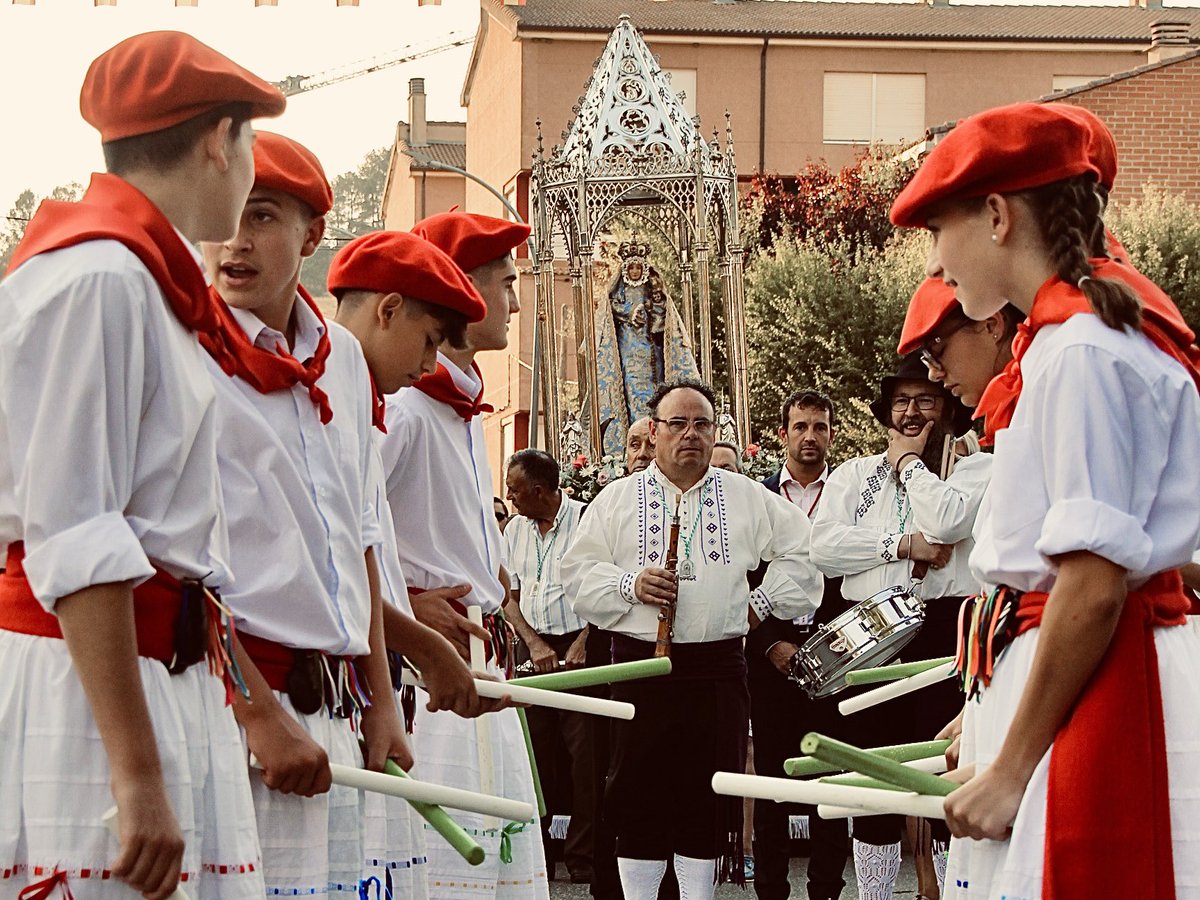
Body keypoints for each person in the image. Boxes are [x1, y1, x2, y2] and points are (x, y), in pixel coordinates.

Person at [890, 101, 1200, 900]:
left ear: (995, 215)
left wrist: (1011, 768)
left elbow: (1092, 585)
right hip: (1091, 667)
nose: (937, 263)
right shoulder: (1090, 337)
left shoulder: (1080, 352)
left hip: (1105, 680)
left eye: (937, 231)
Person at [0, 31, 284, 900]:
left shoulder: (141, 282)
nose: (245, 172)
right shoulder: (99, 280)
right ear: (216, 141)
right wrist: (136, 773)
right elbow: (77, 533)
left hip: (154, 679)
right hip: (91, 694)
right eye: (248, 147)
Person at [562, 378, 824, 900]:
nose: (690, 435)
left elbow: (804, 553)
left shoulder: (747, 496)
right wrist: (629, 584)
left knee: (706, 792)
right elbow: (577, 574)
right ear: (654, 432)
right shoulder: (617, 499)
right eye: (677, 424)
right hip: (639, 666)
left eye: (701, 424)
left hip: (718, 668)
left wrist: (761, 605)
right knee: (638, 792)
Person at [327, 227, 511, 898]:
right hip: (366, 663)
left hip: (425, 649)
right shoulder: (397, 408)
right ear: (390, 310)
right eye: (431, 340)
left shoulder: (384, 399)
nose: (512, 303)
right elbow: (341, 556)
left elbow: (364, 541)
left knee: (481, 856)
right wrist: (413, 624)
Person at [380, 211, 549, 900]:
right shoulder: (409, 408)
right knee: (448, 872)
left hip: (480, 657)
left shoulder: (457, 406)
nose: (514, 300)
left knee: (501, 868)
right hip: (434, 670)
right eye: (505, 283)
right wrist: (406, 603)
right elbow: (348, 526)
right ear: (463, 291)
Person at [809, 357, 986, 900]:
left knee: (942, 770)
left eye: (925, 400)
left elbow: (949, 522)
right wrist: (898, 545)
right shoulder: (854, 475)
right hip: (871, 633)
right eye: (902, 403)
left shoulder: (972, 467)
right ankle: (876, 896)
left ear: (948, 408)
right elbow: (823, 547)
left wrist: (912, 467)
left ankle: (955, 891)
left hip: (946, 630)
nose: (911, 412)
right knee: (874, 776)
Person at [747, 391, 851, 900]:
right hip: (771, 656)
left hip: (835, 654)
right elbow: (740, 580)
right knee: (772, 780)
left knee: (830, 777)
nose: (810, 436)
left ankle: (827, 889)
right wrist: (770, 645)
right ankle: (769, 889)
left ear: (833, 433)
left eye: (820, 426)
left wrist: (837, 646)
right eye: (800, 426)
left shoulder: (849, 497)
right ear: (783, 433)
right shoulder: (757, 498)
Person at [504, 449, 595, 884]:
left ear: (538, 491)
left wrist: (584, 640)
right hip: (533, 648)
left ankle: (583, 858)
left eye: (514, 490)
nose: (510, 497)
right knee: (533, 755)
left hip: (579, 648)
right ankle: (538, 855)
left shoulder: (587, 521)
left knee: (585, 757)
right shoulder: (515, 531)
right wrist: (532, 643)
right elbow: (507, 595)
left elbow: (607, 587)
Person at [594, 241, 699, 456]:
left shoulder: (654, 292)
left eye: (638, 268)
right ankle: (632, 439)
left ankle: (656, 441)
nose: (634, 272)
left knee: (654, 395)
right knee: (631, 394)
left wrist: (654, 312)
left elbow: (665, 320)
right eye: (631, 268)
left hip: (652, 357)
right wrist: (628, 315)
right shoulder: (616, 295)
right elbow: (610, 313)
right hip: (627, 354)